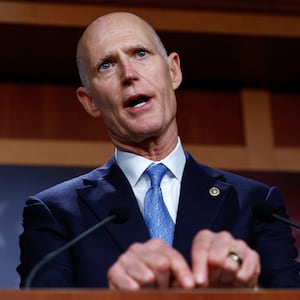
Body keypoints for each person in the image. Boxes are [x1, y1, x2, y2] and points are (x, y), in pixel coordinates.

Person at [17, 12, 300, 289]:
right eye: (106, 65)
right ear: (89, 101)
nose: (129, 74)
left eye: (140, 53)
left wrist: (248, 292)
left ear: (173, 70)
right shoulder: (54, 213)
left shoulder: (256, 205)